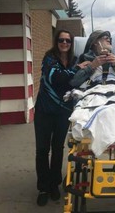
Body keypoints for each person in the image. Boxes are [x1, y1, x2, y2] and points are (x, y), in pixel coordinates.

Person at [34, 29, 77, 206]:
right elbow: (55, 78)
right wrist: (76, 71)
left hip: (63, 111)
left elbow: (79, 80)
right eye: (61, 40)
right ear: (56, 41)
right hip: (44, 110)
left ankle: (54, 185)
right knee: (43, 150)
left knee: (58, 148)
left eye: (68, 40)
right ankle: (43, 187)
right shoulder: (49, 58)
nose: (64, 43)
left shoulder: (74, 59)